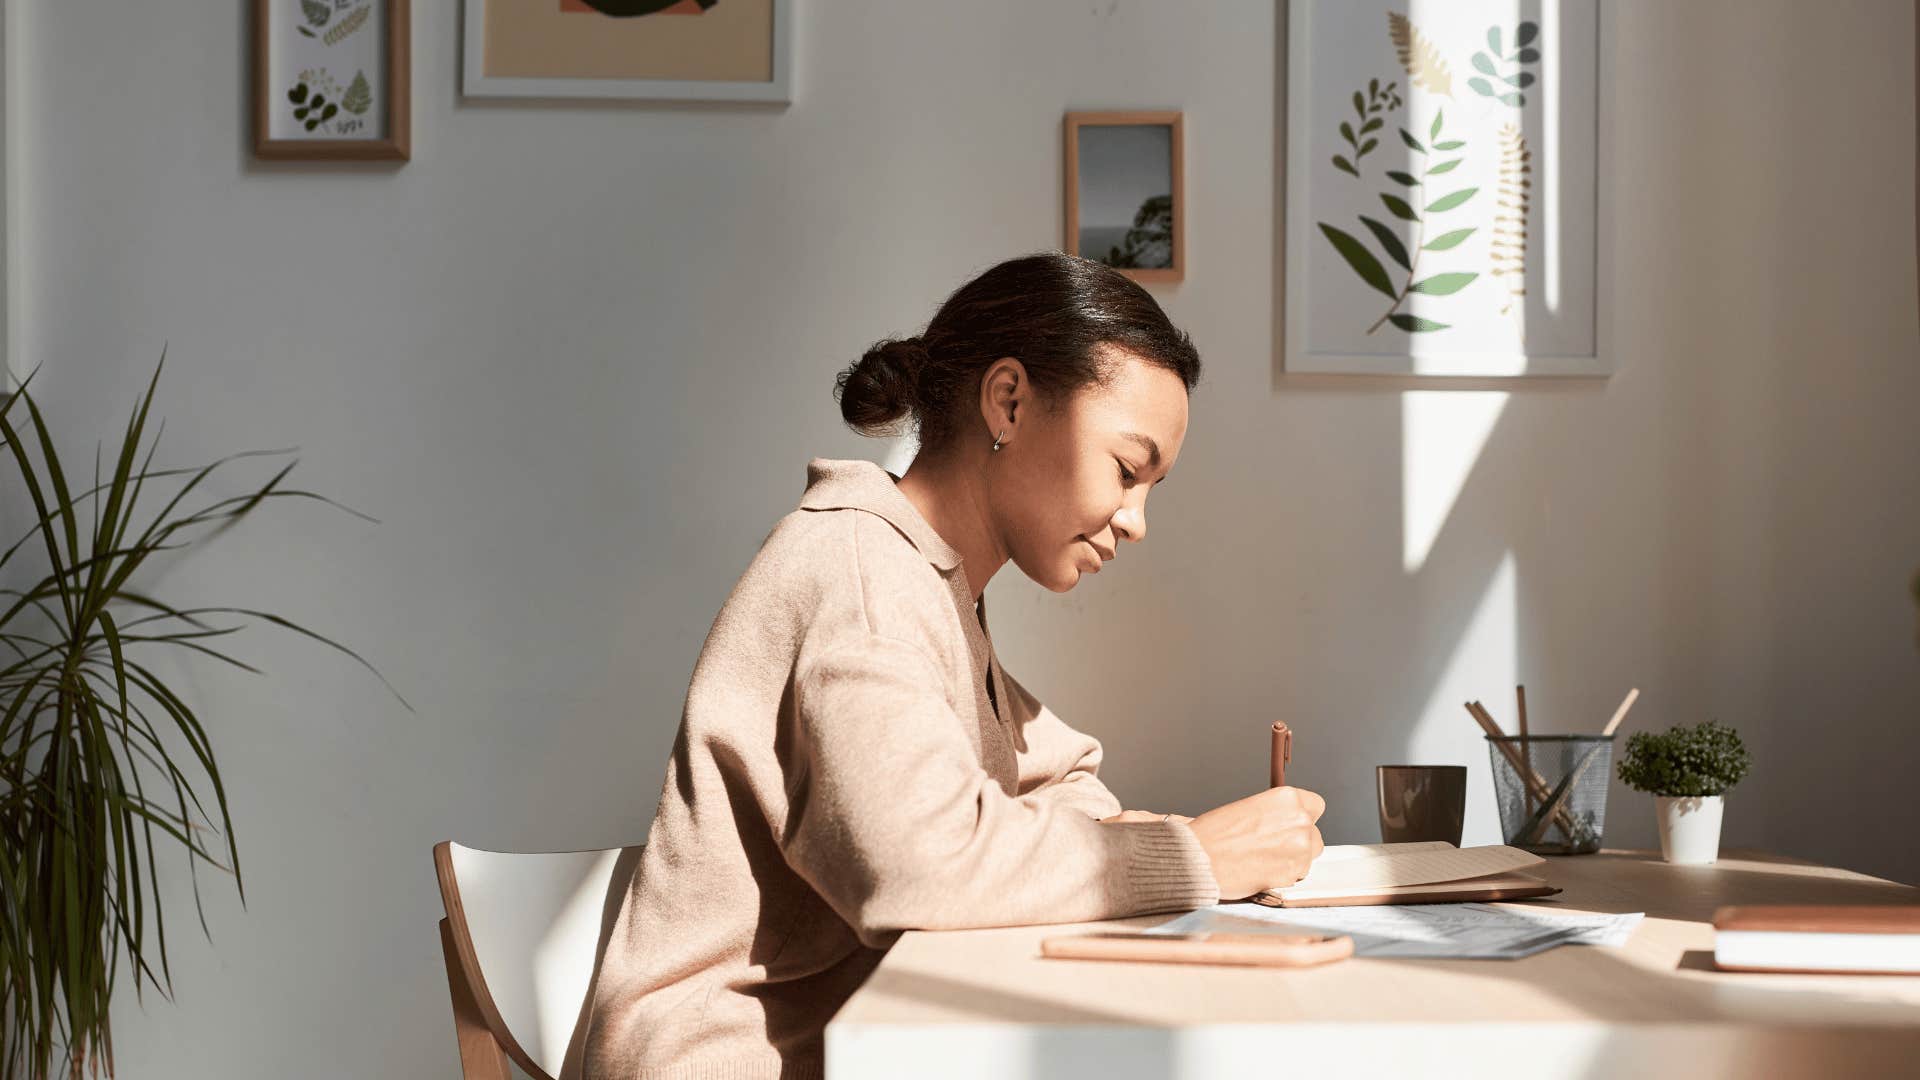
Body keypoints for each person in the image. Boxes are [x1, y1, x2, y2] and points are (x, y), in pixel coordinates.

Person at [581, 253, 1326, 1078]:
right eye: (1126, 470)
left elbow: (1054, 770)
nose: (1137, 520)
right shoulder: (861, 573)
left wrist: (1122, 835)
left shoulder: (929, 581)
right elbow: (918, 865)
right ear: (1008, 401)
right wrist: (1191, 858)